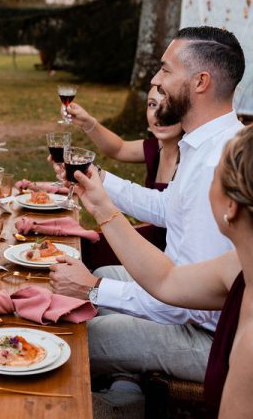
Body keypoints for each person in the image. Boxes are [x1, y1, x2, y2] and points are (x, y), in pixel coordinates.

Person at [49, 26, 245, 397]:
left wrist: (94, 290)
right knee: (103, 275)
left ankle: (118, 401)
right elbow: (166, 208)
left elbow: (180, 302)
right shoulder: (203, 142)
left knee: (73, 338)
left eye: (166, 70)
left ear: (200, 81)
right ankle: (128, 387)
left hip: (210, 338)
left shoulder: (216, 163)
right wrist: (96, 178)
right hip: (185, 305)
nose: (156, 79)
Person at [71, 125, 253, 417]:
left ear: (230, 206)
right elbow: (167, 282)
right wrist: (101, 206)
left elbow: (176, 307)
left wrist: (93, 287)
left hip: (203, 339)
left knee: (75, 343)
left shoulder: (248, 346)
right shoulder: (236, 265)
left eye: (214, 179)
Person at [66, 87, 182, 267]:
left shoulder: (191, 159)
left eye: (169, 104)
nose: (160, 113)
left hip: (169, 254)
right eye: (152, 104)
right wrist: (87, 123)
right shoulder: (156, 147)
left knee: (85, 252)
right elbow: (118, 148)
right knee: (81, 246)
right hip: (150, 237)